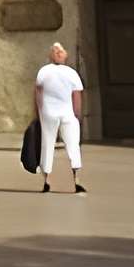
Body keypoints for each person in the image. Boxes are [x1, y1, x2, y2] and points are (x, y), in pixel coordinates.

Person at [34, 41, 86, 193]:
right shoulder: (71, 73)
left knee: (48, 144)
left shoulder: (44, 71)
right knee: (72, 144)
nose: (58, 53)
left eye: (60, 51)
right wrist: (78, 114)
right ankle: (75, 181)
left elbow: (37, 93)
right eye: (56, 51)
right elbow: (77, 96)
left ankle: (47, 180)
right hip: (65, 113)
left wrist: (38, 112)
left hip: (49, 113)